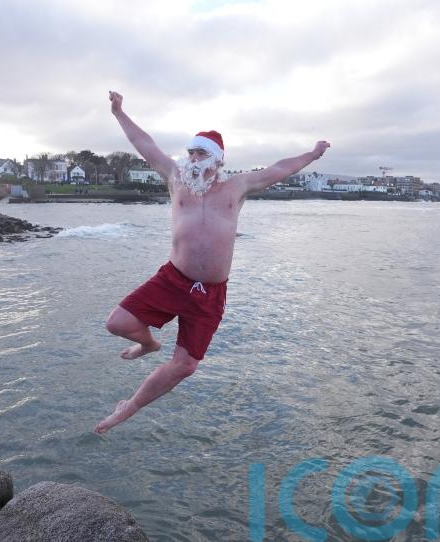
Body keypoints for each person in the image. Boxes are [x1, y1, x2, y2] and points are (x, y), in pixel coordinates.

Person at [94, 91, 330, 433]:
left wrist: (313, 153)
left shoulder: (236, 186)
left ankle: (128, 408)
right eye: (191, 152)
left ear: (217, 160)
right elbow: (144, 144)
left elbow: (280, 169)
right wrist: (119, 112)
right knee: (116, 323)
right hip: (173, 280)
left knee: (186, 365)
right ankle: (148, 343)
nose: (193, 158)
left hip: (210, 293)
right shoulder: (176, 178)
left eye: (201, 153)